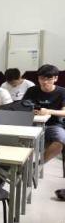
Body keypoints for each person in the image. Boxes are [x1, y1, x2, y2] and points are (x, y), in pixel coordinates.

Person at [22, 65, 65, 199]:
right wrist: (32, 110)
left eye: (48, 79)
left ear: (55, 78)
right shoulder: (32, 90)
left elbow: (64, 112)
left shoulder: (62, 92)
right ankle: (19, 165)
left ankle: (37, 165)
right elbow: (24, 105)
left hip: (53, 125)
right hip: (32, 123)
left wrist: (48, 111)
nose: (45, 82)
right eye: (42, 78)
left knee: (60, 140)